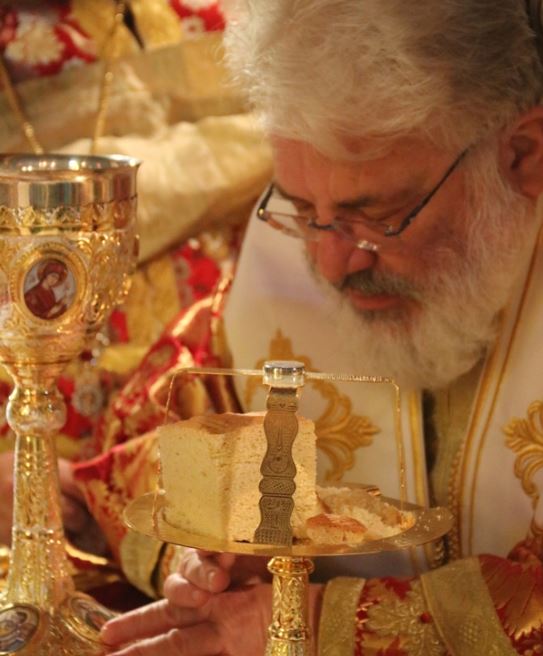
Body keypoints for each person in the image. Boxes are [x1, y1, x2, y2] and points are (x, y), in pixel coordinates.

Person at [88, 0, 543, 653]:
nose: (330, 266)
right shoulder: (296, 245)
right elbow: (156, 427)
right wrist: (211, 553)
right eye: (302, 210)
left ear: (522, 156)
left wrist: (325, 627)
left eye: (379, 215)